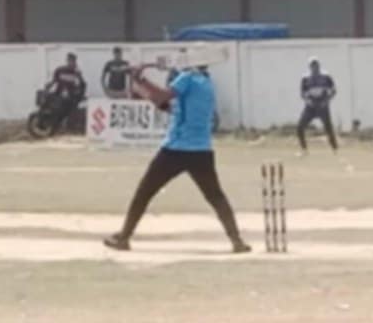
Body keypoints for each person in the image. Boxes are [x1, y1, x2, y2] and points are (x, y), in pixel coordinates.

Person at [104, 65, 250, 254]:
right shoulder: (206, 84)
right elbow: (169, 107)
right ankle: (237, 241)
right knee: (216, 197)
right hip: (202, 151)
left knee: (144, 193)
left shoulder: (187, 78)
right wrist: (142, 85)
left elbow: (162, 97)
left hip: (176, 149)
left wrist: (142, 80)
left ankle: (124, 237)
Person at [297, 57, 338, 155]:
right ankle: (304, 149)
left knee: (328, 127)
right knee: (300, 127)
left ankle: (334, 148)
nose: (315, 68)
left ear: (319, 66)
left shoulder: (326, 76)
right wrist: (308, 101)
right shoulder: (305, 78)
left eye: (316, 65)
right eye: (312, 66)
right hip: (310, 106)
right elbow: (302, 93)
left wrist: (326, 100)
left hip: (322, 105)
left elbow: (333, 90)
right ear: (310, 67)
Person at [46, 52, 86, 130]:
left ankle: (65, 123)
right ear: (67, 61)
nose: (71, 63)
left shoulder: (76, 73)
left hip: (71, 96)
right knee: (51, 102)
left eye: (73, 61)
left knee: (68, 108)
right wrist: (48, 86)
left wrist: (79, 89)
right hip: (59, 93)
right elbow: (54, 80)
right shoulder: (59, 70)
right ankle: (54, 122)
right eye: (70, 60)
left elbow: (82, 84)